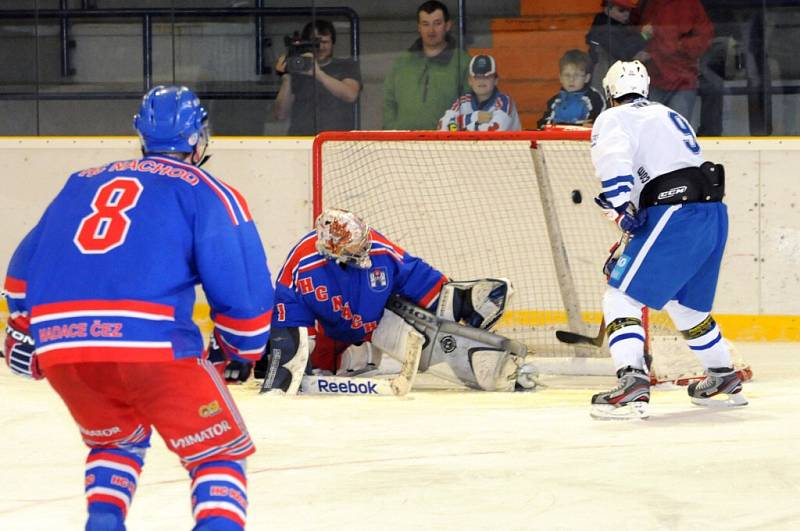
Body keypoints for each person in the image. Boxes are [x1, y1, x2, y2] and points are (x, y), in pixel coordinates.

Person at [2, 85, 274, 529]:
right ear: (199, 137)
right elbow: (242, 291)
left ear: (142, 136)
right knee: (219, 453)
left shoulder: (80, 182)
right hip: (154, 347)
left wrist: (22, 326)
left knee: (115, 443)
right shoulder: (207, 190)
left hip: (63, 348)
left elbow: (20, 272)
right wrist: (242, 349)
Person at [589, 60, 746, 420]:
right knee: (686, 306)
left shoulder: (613, 117)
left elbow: (613, 161)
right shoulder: (668, 114)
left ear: (610, 92)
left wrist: (618, 204)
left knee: (620, 296)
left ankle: (631, 384)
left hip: (675, 214)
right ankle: (723, 376)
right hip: (712, 215)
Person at [250, 208, 534, 394]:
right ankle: (325, 359)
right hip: (330, 337)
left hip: (376, 323)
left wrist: (462, 307)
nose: (365, 253)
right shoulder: (301, 265)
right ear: (333, 253)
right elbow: (290, 322)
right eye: (355, 250)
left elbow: (426, 284)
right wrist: (287, 367)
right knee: (310, 369)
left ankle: (499, 369)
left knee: (430, 338)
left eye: (364, 244)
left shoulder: (381, 251)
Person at [383, 0, 471, 130]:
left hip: (447, 144)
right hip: (402, 145)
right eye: (425, 24)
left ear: (447, 25)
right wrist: (392, 130)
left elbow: (471, 103)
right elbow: (388, 101)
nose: (431, 31)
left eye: (437, 23)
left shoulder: (463, 62)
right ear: (419, 27)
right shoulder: (402, 62)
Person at [273, 19, 362, 135]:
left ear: (332, 43)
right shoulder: (297, 70)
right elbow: (280, 114)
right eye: (315, 43)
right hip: (301, 140)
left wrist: (318, 73)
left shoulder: (346, 66)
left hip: (336, 140)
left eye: (325, 42)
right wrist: (287, 77)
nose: (320, 47)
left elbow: (350, 95)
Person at [639, 0, 714, 122]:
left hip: (683, 79)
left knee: (678, 131)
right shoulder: (649, 4)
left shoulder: (691, 4)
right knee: (652, 131)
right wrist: (643, 38)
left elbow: (705, 37)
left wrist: (678, 46)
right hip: (653, 78)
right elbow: (633, 31)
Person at [437, 54, 522, 131]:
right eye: (477, 77)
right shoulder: (463, 102)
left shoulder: (504, 102)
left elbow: (493, 132)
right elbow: (443, 126)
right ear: (470, 81)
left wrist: (460, 126)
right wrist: (475, 117)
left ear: (496, 80)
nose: (481, 81)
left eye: (487, 76)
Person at [585, 0, 653, 90]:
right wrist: (643, 36)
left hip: (617, 79)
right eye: (621, 10)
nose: (626, 14)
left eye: (629, 11)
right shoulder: (602, 28)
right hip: (605, 80)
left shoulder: (619, 24)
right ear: (607, 9)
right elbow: (621, 51)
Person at [537, 49, 606, 129]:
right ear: (560, 78)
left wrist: (561, 126)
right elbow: (544, 125)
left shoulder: (594, 98)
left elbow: (593, 126)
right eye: (567, 75)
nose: (571, 79)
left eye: (576, 75)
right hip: (556, 140)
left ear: (587, 78)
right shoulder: (555, 101)